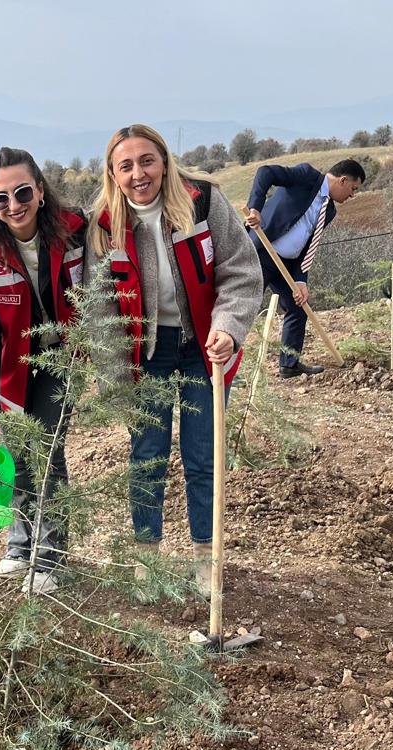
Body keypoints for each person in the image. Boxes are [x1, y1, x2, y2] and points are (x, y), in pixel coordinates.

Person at [85, 124, 262, 593]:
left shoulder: (202, 202)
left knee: (203, 456)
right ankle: (149, 564)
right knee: (147, 457)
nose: (139, 173)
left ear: (164, 161)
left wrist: (228, 327)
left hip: (204, 348)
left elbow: (241, 272)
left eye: (147, 161)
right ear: (113, 173)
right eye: (126, 165)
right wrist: (113, 375)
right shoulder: (104, 224)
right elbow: (98, 306)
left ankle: (207, 559)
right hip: (146, 354)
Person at [0, 147, 87, 596]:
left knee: (46, 447)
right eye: (1, 199)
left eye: (21, 192)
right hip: (13, 365)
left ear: (39, 190)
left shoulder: (76, 232)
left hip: (62, 357)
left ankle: (51, 555)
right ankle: (20, 543)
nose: (13, 205)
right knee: (16, 452)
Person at [243, 158, 366, 377]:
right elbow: (265, 172)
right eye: (353, 189)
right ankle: (225, 371)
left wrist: (301, 280)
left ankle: (289, 364)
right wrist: (256, 208)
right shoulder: (306, 176)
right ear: (343, 180)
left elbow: (310, 245)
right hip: (262, 252)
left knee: (298, 305)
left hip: (287, 264)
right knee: (244, 307)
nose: (352, 195)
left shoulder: (329, 212)